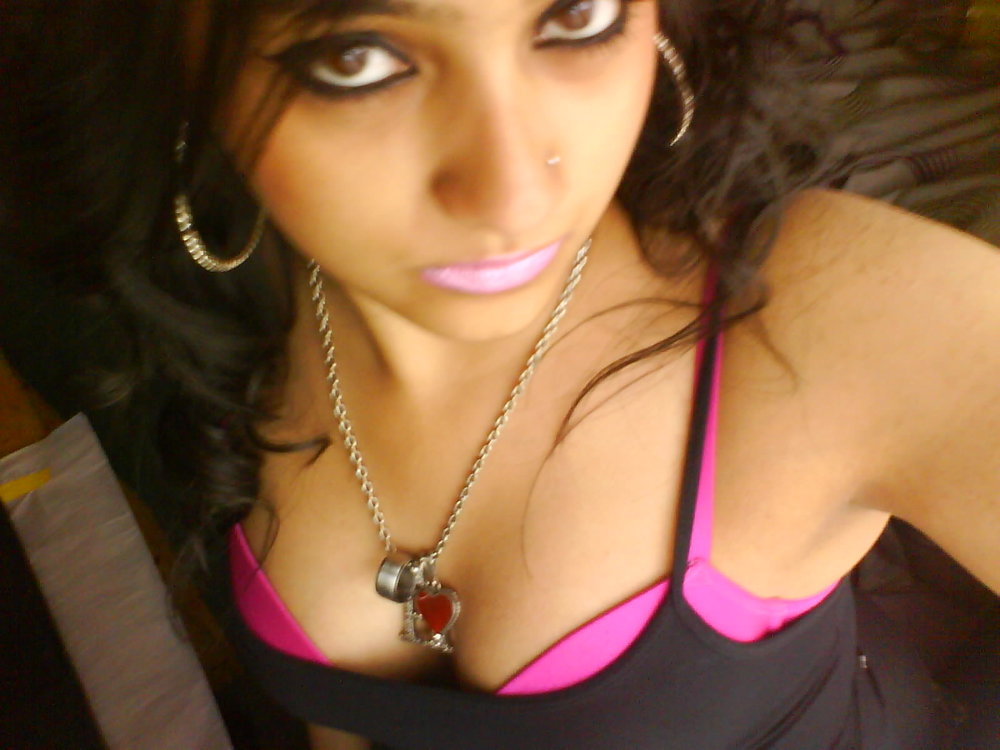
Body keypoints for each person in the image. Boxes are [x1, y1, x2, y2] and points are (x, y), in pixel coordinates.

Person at [2, 0, 998, 748]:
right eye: (355, 57)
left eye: (577, 17)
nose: (513, 193)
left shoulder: (821, 315)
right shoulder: (235, 288)